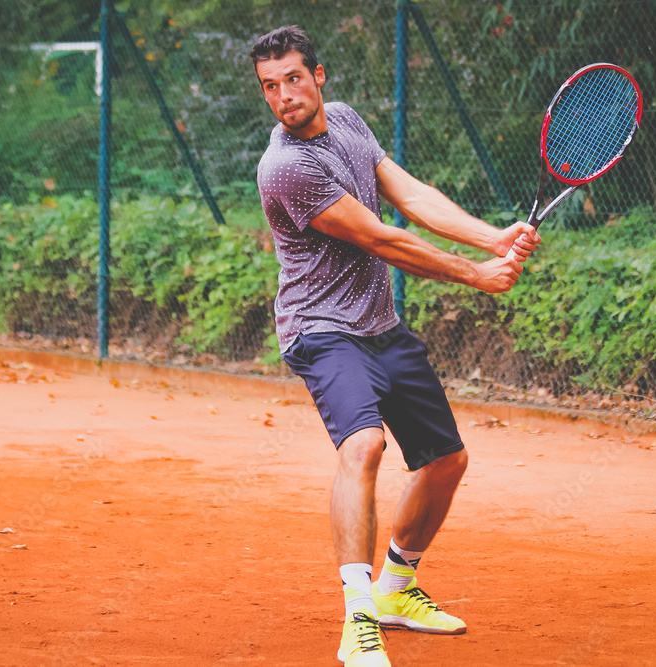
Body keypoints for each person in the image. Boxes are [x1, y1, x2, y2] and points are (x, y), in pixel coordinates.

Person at [250, 25, 540, 667]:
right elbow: (383, 239)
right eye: (270, 87)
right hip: (321, 329)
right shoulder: (286, 167)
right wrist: (476, 275)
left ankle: (396, 588)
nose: (283, 96)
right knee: (366, 443)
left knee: (445, 462)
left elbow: (410, 195)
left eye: (292, 79)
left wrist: (491, 239)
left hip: (379, 325)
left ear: (318, 76)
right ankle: (358, 621)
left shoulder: (348, 122)